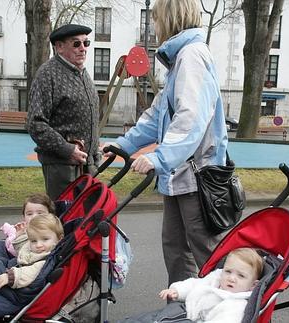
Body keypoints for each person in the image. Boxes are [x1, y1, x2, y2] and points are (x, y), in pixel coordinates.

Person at [104, 0, 229, 285]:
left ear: (170, 18)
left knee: (207, 252)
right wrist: (122, 146)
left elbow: (191, 116)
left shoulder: (192, 56)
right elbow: (156, 115)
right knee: (175, 247)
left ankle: (229, 308)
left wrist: (160, 158)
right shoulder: (178, 60)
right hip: (179, 175)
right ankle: (182, 306)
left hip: (198, 177)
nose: (154, 25)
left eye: (156, 18)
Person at [27, 23, 101, 200]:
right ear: (59, 47)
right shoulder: (48, 74)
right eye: (76, 44)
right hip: (62, 167)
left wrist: (95, 149)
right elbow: (35, 123)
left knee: (83, 223)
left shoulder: (82, 73)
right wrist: (68, 150)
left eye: (86, 43)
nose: (83, 49)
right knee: (65, 220)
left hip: (86, 165)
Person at [158, 248, 263, 322]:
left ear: (253, 285)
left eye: (241, 276)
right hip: (188, 312)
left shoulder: (236, 305)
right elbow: (196, 284)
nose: (231, 278)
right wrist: (178, 291)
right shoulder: (216, 280)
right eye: (228, 271)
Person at [0, 215, 64, 290]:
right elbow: (24, 248)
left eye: (45, 239)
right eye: (34, 241)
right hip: (12, 267)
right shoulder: (39, 249)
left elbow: (32, 272)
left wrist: (10, 277)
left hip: (21, 287)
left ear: (59, 239)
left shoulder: (47, 259)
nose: (38, 245)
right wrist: (20, 235)